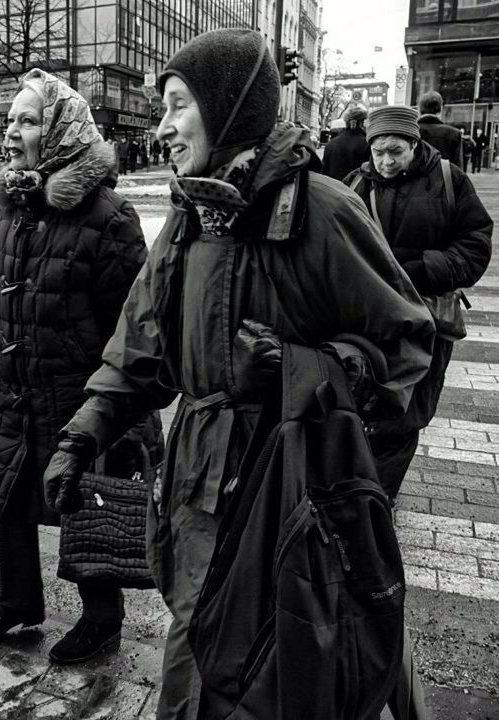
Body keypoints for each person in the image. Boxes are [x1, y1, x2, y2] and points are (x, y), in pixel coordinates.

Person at [42, 29, 435, 720]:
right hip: (197, 493)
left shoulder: (324, 211)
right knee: (195, 663)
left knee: (275, 681)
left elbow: (405, 344)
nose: (161, 127)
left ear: (226, 109)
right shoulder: (190, 217)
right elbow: (140, 346)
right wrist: (82, 434)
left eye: (176, 105)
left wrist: (305, 369)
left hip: (289, 496)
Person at [0, 68, 162, 666]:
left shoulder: (109, 217)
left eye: (27, 120)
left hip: (80, 395)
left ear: (60, 132)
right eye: (9, 120)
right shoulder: (17, 206)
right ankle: (19, 601)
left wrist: (118, 412)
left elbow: (134, 327)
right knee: (9, 497)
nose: (11, 132)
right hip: (21, 386)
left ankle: (102, 618)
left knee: (83, 499)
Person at [345, 106, 492, 501]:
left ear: (414, 143)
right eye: (378, 152)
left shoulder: (448, 180)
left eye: (395, 151)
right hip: (371, 324)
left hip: (427, 325)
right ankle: (359, 494)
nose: (386, 161)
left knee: (406, 418)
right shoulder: (357, 185)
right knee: (362, 411)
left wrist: (418, 269)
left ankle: (378, 501)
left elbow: (475, 246)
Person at [321, 105, 369, 180]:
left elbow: (324, 172)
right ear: (362, 123)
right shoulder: (367, 143)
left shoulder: (331, 143)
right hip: (355, 190)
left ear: (346, 122)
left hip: (333, 189)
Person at [417, 91, 462, 166]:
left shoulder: (411, 130)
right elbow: (458, 171)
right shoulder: (454, 134)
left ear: (419, 109)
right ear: (441, 109)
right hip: (442, 176)